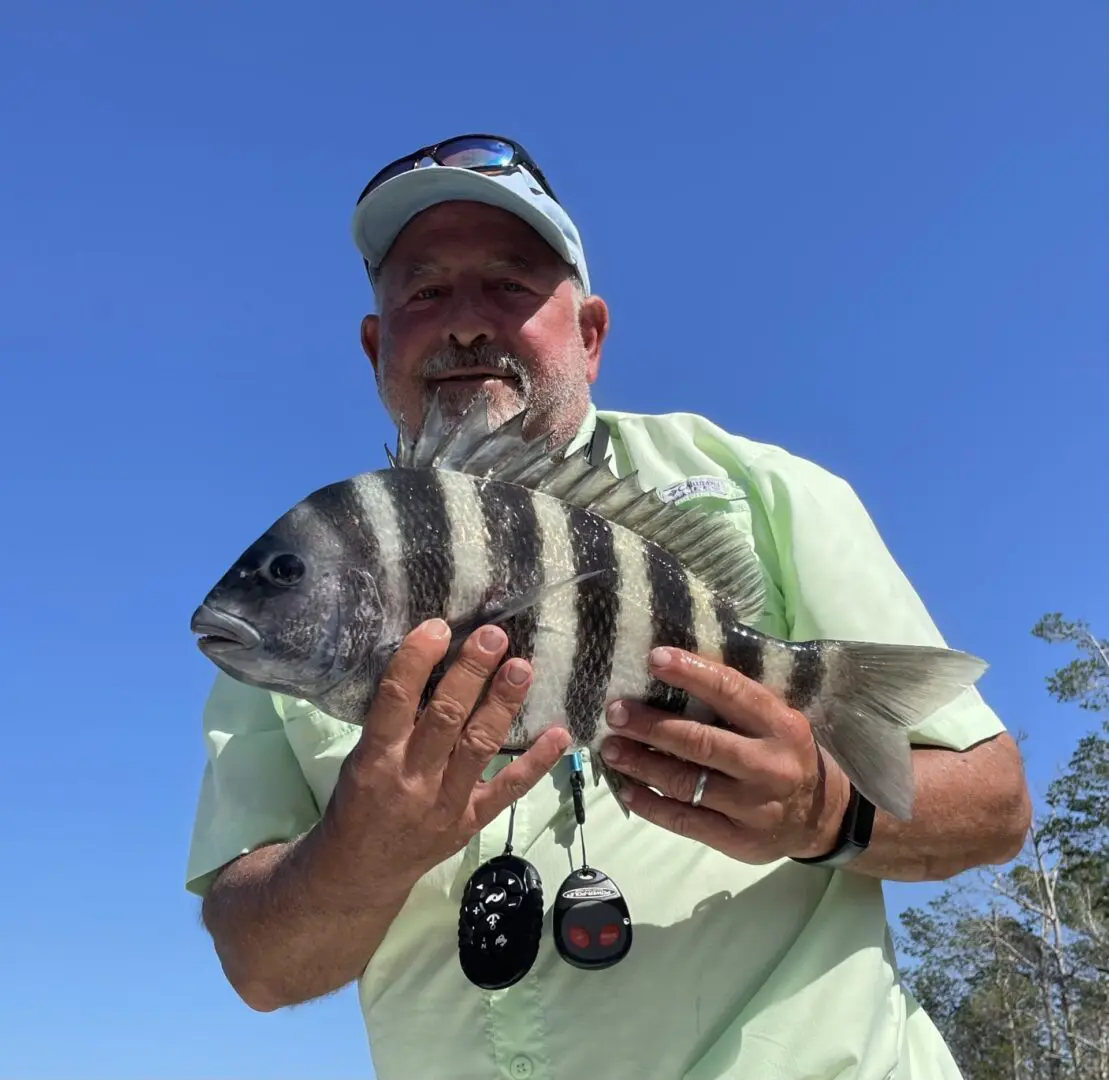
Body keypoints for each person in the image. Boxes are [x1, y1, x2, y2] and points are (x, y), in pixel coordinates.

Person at [184, 133, 1032, 1080]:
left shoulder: (759, 490)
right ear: (378, 343)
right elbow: (257, 965)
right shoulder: (316, 586)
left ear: (588, 333)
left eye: (510, 286)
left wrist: (824, 810)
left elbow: (994, 804)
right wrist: (357, 851)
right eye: (424, 291)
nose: (465, 325)